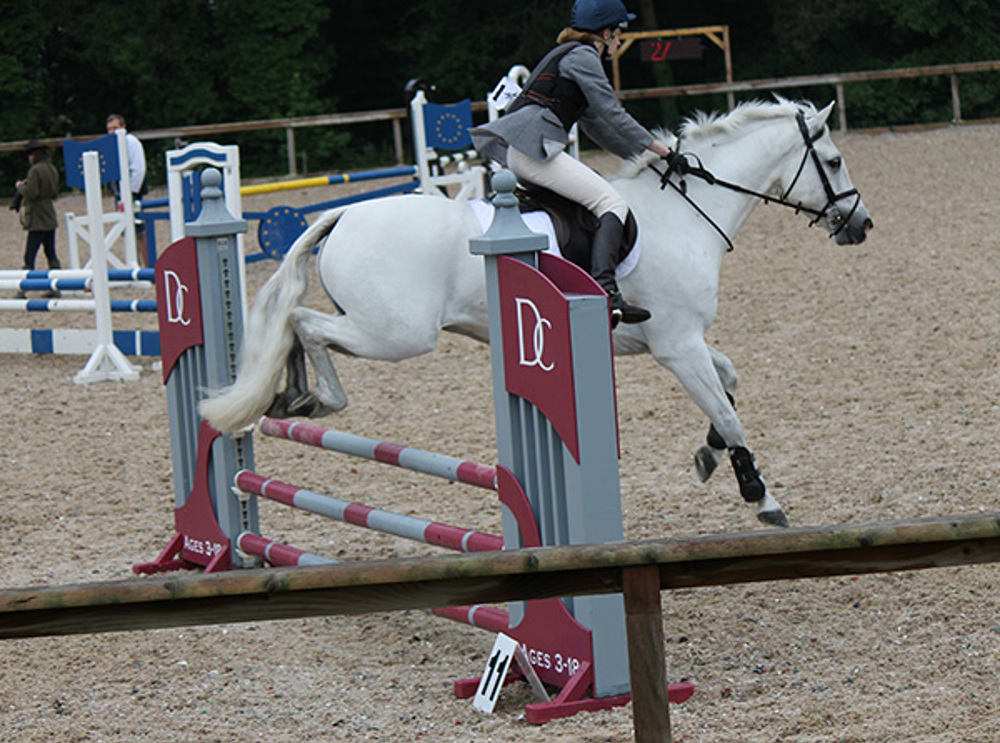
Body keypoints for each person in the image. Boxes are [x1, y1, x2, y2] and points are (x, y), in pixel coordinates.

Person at [471, 0, 677, 327]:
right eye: (619, 34)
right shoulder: (584, 56)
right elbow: (614, 113)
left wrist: (641, 156)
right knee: (610, 202)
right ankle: (608, 294)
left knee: (587, 201)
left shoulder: (570, 55)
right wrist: (662, 150)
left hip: (523, 148)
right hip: (532, 149)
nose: (620, 41)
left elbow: (596, 125)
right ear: (606, 33)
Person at [13, 139, 61, 297]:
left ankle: (23, 289)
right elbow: (55, 193)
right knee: (51, 253)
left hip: (37, 217)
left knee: (29, 255)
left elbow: (32, 192)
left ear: (34, 155)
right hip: (49, 214)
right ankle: (56, 286)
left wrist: (20, 187)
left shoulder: (35, 170)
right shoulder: (51, 168)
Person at [105, 113, 149, 266]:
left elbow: (138, 167)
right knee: (126, 229)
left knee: (139, 230)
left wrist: (131, 191)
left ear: (123, 127)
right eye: (109, 129)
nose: (112, 132)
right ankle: (134, 263)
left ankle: (147, 265)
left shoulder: (131, 142)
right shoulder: (111, 144)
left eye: (115, 128)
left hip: (131, 190)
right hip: (120, 191)